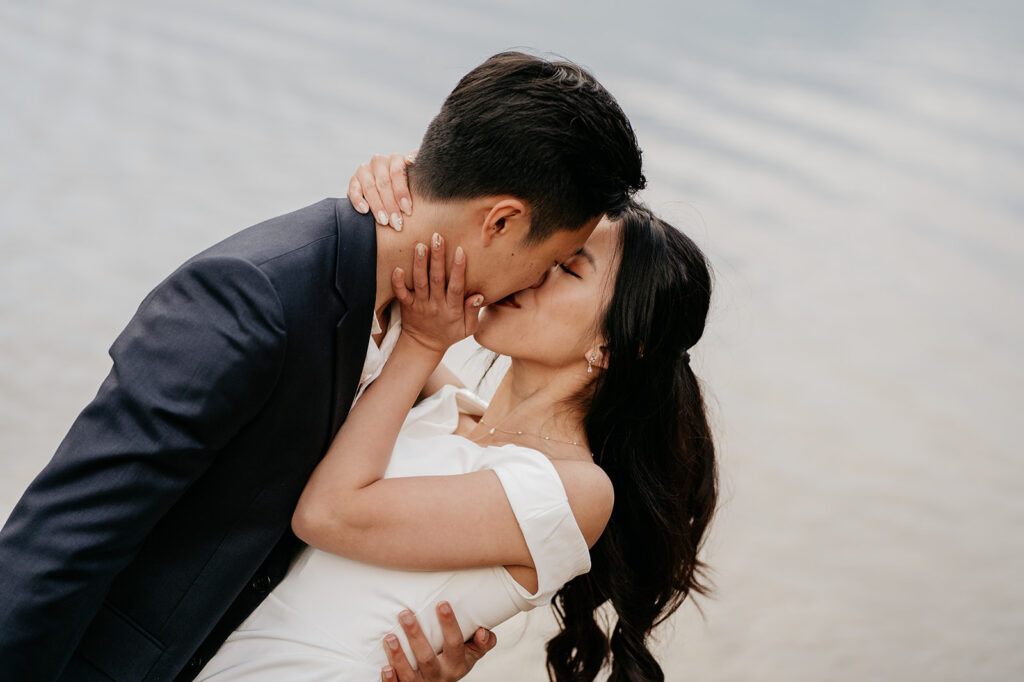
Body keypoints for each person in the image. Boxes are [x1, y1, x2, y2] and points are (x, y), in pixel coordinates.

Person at [0, 51, 644, 681]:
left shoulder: (420, 337)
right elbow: (62, 540)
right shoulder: (252, 297)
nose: (532, 282)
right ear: (502, 220)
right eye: (552, 259)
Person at [193, 173, 718, 680]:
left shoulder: (574, 490)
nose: (534, 269)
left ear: (612, 347)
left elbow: (328, 514)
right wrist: (404, 182)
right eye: (548, 253)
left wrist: (423, 344)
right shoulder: (447, 407)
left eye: (568, 268)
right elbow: (397, 270)